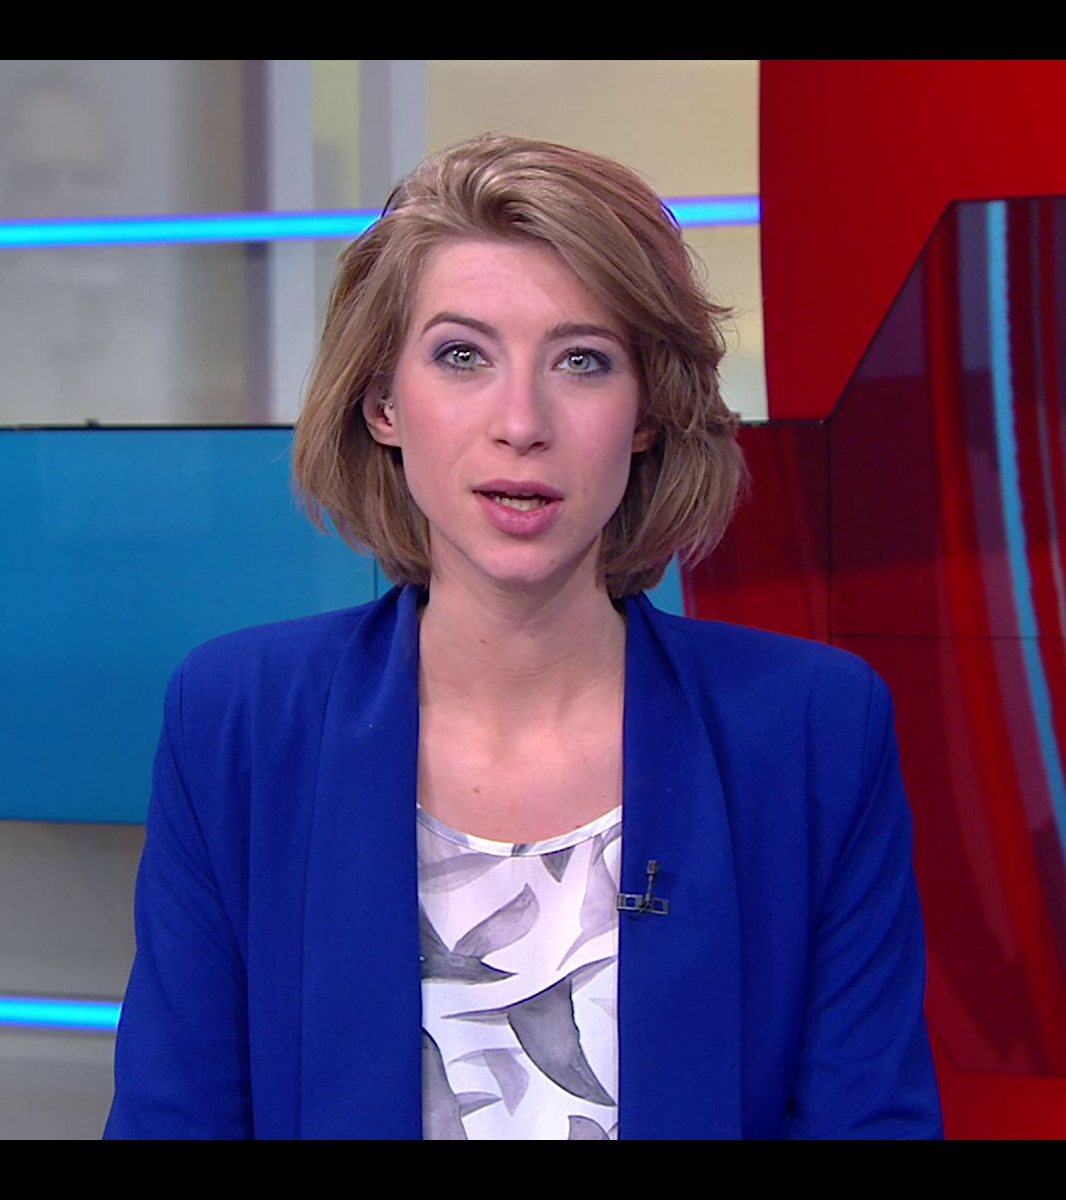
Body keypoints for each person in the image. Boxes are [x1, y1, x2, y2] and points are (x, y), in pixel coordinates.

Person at [103, 132, 941, 1139]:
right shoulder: (241, 719)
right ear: (382, 403)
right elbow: (175, 1115)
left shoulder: (809, 728)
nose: (521, 421)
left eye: (582, 362)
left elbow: (867, 1118)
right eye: (462, 356)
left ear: (646, 413)